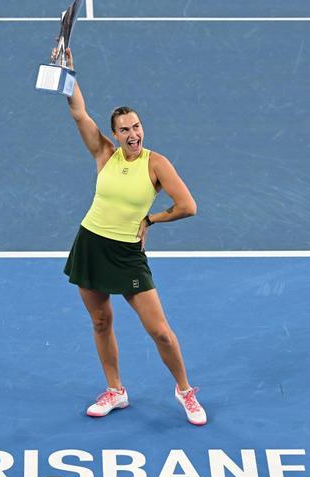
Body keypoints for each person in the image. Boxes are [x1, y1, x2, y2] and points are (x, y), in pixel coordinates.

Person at [60, 48, 206, 426]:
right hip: (91, 244)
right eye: (124, 129)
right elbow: (79, 112)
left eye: (137, 126)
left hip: (127, 255)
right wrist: (67, 72)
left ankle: (185, 391)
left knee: (160, 332)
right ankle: (116, 390)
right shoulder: (104, 154)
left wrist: (151, 220)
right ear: (114, 135)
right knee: (100, 322)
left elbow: (187, 205)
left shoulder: (156, 164)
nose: (133, 134)